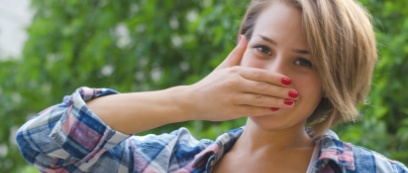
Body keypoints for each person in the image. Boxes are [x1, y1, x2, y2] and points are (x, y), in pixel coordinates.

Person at [16, 0, 408, 172]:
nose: (275, 73)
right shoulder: (165, 161)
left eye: (303, 61)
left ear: (334, 78)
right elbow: (42, 144)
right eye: (263, 49)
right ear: (239, 48)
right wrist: (189, 99)